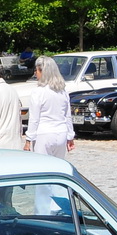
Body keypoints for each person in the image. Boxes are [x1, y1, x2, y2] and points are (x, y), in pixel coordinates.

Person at [24, 56, 77, 198]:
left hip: (44, 134)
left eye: (37, 70)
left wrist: (29, 139)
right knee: (57, 172)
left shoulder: (38, 92)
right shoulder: (62, 91)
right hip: (61, 133)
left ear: (43, 71)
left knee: (42, 175)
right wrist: (70, 136)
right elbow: (67, 115)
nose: (36, 73)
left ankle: (43, 207)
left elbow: (34, 118)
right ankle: (58, 203)